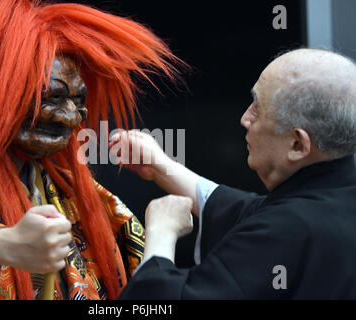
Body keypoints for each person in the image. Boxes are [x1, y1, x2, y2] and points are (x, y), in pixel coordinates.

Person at [0, 0, 183, 300]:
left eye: (78, 101)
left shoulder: (86, 202)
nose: (71, 117)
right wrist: (1, 244)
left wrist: (161, 232)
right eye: (52, 97)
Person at [115, 48, 356, 299]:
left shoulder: (288, 230)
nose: (245, 118)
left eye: (258, 109)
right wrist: (160, 166)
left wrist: (162, 231)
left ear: (297, 144)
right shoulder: (336, 200)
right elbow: (250, 210)